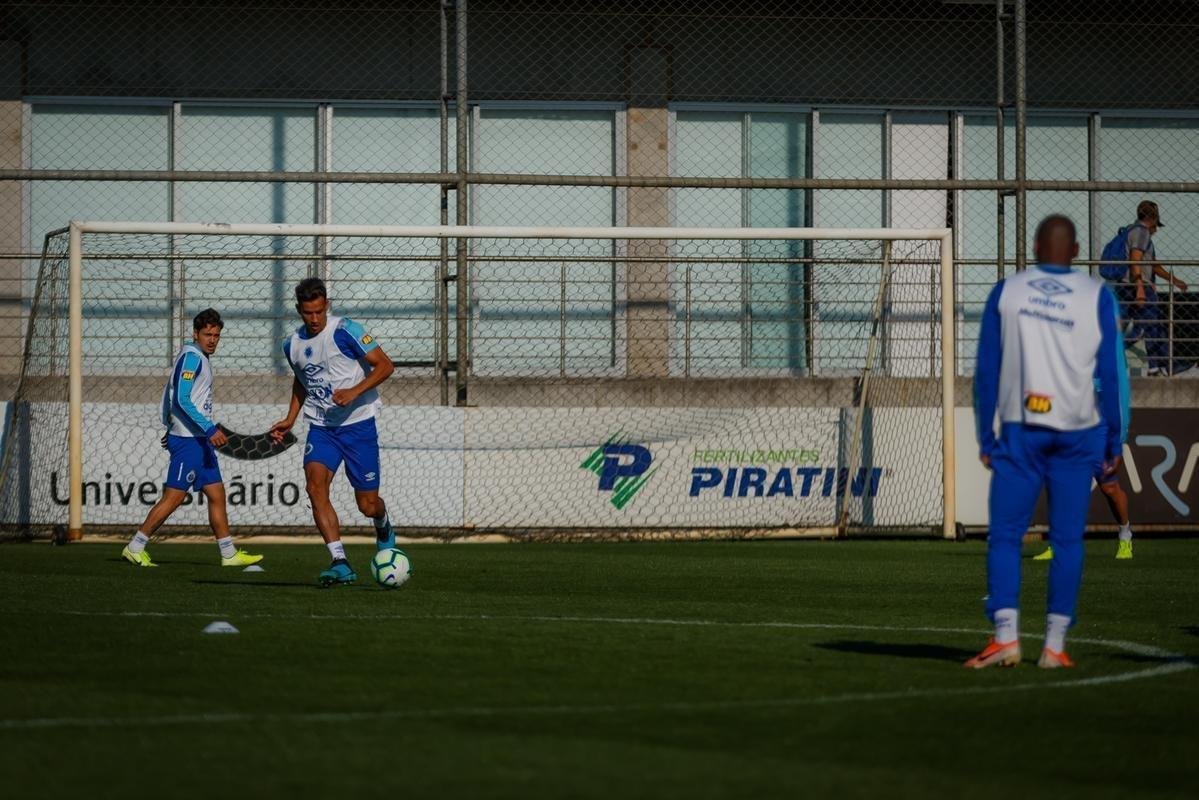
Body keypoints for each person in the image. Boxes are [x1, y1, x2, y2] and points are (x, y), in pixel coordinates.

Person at [968, 215, 1128, 669]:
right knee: (1068, 539)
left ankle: (1005, 637)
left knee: (1005, 535)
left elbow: (986, 369)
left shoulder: (1008, 291)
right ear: (1076, 250)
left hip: (1021, 429)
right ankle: (1055, 645)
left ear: (1035, 246)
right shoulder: (1097, 295)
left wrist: (986, 433)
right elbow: (1112, 374)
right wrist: (1113, 438)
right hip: (1078, 434)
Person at [269, 278, 396, 586]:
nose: (314, 319)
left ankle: (383, 523)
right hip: (322, 427)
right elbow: (303, 380)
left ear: (327, 304)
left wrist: (354, 391)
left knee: (367, 505)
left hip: (358, 425)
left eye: (318, 312)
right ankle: (340, 561)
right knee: (315, 488)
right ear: (299, 310)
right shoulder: (292, 345)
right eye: (307, 313)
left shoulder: (346, 330)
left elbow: (385, 366)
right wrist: (290, 417)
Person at [122, 309, 264, 568]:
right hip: (191, 441)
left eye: (216, 335)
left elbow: (170, 394)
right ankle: (136, 545)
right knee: (173, 497)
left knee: (217, 494)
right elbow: (180, 399)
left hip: (198, 440)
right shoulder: (192, 358)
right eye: (207, 334)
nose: (212, 339)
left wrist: (169, 424)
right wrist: (208, 429)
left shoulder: (198, 357)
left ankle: (228, 553)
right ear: (195, 334)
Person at [1121, 200, 1189, 376]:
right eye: (1156, 223)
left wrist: (1174, 280)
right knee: (1152, 327)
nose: (1156, 229)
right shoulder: (1141, 232)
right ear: (1153, 218)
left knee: (1145, 327)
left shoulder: (1132, 231)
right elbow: (1134, 260)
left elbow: (1153, 265)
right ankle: (1160, 366)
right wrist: (1140, 288)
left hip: (1131, 286)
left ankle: (1164, 365)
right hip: (1139, 286)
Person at [1032, 447, 1134, 561]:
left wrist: (1117, 443)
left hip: (1100, 442)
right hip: (1075, 442)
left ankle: (1125, 535)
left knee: (1110, 489)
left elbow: (1118, 429)